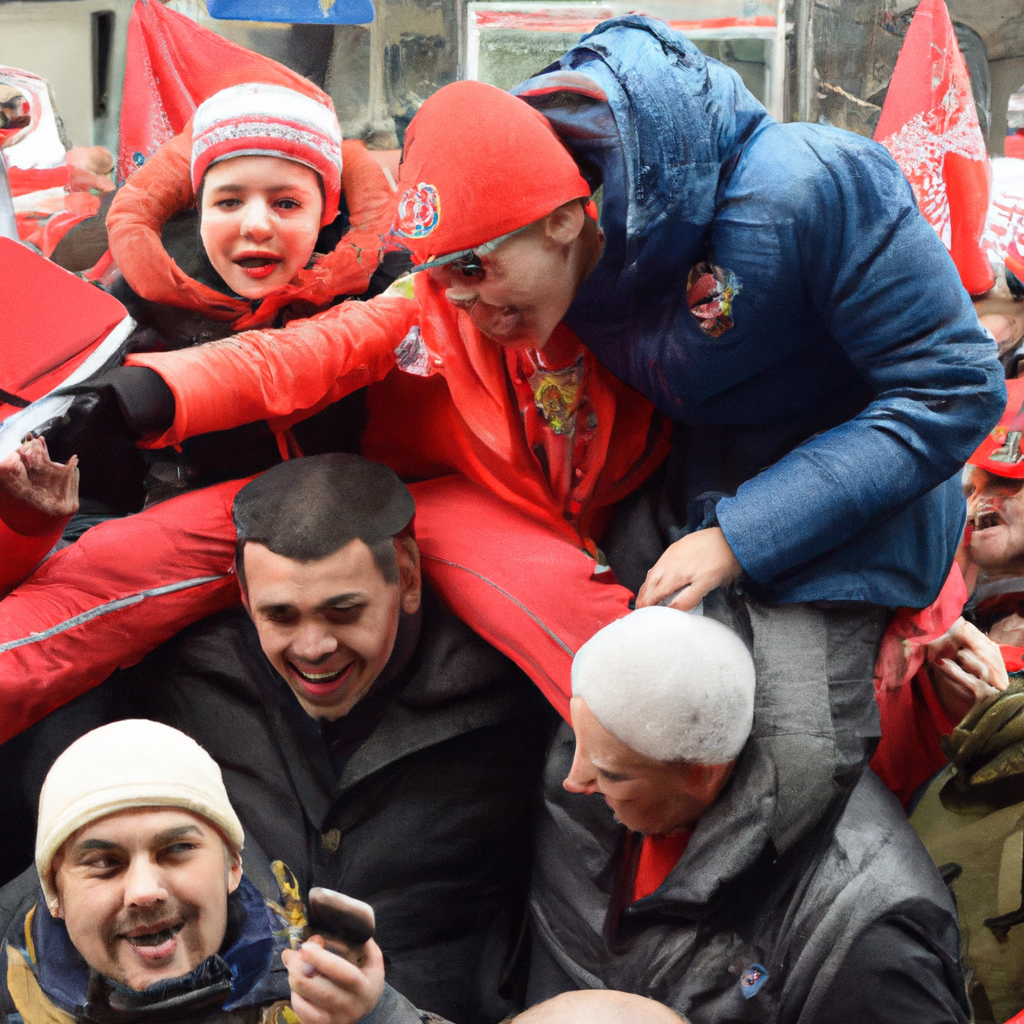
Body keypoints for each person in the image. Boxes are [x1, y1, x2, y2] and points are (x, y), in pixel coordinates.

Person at [3, 455, 551, 1024]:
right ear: (243, 594)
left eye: (343, 611)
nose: (313, 646)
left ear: (406, 576)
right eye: (281, 616)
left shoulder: (515, 688)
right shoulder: (181, 662)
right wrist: (26, 532)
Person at [527, 606, 970, 1023]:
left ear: (701, 774)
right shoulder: (617, 735)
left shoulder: (867, 943)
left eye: (612, 774)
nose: (573, 779)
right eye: (576, 741)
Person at [0, 718, 438, 1024]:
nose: (144, 891)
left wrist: (375, 1016)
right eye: (104, 863)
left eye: (176, 850)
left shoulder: (318, 993)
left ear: (232, 865)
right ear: (54, 891)